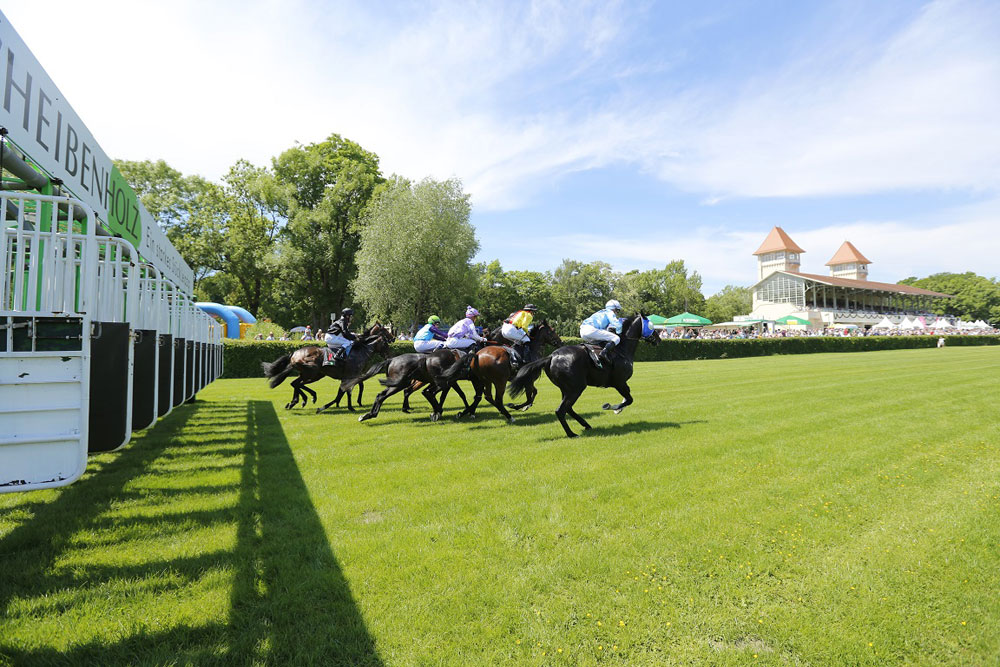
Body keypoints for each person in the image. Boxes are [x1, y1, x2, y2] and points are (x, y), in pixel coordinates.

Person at [580, 299, 623, 367]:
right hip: (591, 330)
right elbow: (616, 324)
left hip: (582, 332)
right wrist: (619, 332)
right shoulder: (610, 312)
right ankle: (604, 353)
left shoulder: (600, 312)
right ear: (614, 309)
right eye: (617, 310)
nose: (617, 313)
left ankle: (595, 359)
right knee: (616, 338)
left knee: (602, 341)